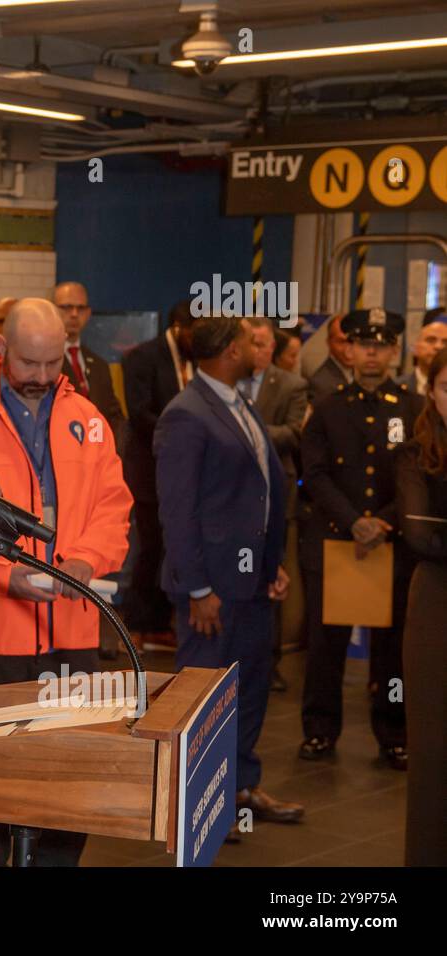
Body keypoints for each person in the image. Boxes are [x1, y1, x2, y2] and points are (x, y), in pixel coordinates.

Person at [0, 298, 132, 866]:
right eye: (29, 364)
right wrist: (8, 577)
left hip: (72, 632)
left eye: (53, 364)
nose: (41, 378)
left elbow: (114, 508)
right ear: (2, 350)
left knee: (65, 787)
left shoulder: (89, 419)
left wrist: (83, 559)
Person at [154, 314, 302, 827]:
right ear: (231, 352)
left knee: (251, 685)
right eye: (250, 342)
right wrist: (197, 588)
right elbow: (177, 511)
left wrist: (272, 563)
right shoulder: (185, 414)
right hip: (211, 587)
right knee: (203, 696)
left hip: (251, 580)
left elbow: (260, 490)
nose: (261, 350)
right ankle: (198, 804)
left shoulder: (240, 405)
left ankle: (241, 788)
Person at [298, 309, 421, 770]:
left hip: (391, 542)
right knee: (325, 646)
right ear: (349, 350)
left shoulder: (411, 407)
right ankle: (320, 731)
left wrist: (384, 521)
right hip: (338, 540)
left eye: (381, 345)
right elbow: (315, 474)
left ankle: (393, 733)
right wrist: (354, 522)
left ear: (394, 351)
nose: (371, 353)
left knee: (391, 650)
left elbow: (418, 474)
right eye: (363, 344)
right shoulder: (328, 406)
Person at [120, 300, 199, 647]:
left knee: (175, 544)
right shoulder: (143, 357)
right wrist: (182, 432)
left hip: (186, 471)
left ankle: (163, 619)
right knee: (150, 546)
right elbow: (138, 414)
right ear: (180, 328)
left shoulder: (197, 358)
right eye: (196, 334)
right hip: (150, 468)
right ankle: (138, 623)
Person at [396, 347, 447, 865]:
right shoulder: (416, 452)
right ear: (431, 393)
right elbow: (422, 537)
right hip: (438, 604)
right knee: (434, 751)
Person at [242, 316, 308, 692]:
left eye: (264, 343)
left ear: (274, 348)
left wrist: (245, 431)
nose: (259, 349)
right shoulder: (227, 382)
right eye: (251, 342)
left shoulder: (292, 385)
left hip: (277, 495)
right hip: (235, 497)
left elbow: (295, 433)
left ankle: (272, 661)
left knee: (274, 575)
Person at [52, 281, 126, 450]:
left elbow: (113, 416)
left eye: (80, 308)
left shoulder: (99, 365)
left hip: (98, 456)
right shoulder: (44, 363)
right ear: (53, 310)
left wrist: (110, 449)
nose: (74, 314)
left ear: (88, 313)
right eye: (66, 307)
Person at [396, 308, 447, 395]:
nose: (438, 347)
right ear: (415, 347)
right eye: (430, 340)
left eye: (445, 342)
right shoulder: (395, 389)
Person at [307, 316, 354, 404]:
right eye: (341, 341)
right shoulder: (321, 384)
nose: (348, 348)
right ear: (329, 343)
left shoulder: (363, 373)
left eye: (352, 341)